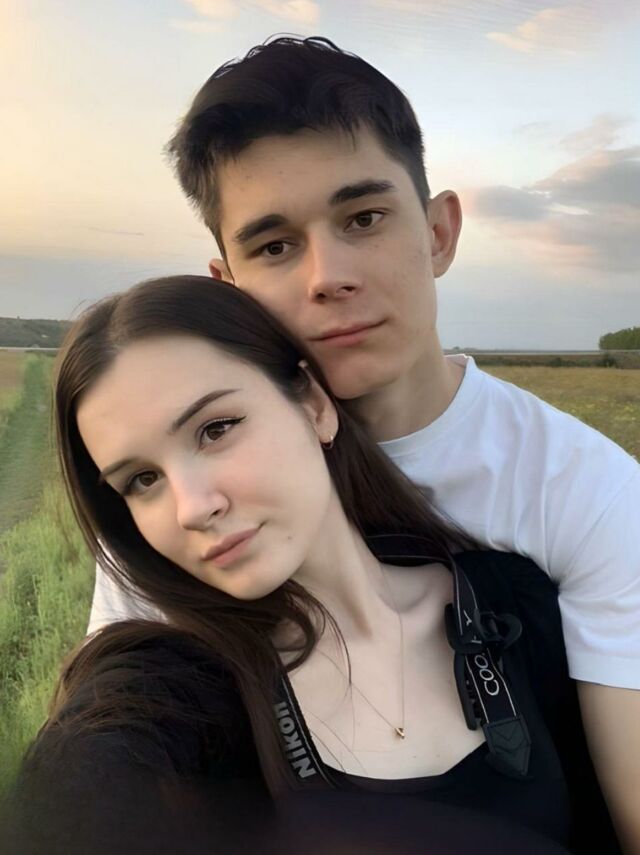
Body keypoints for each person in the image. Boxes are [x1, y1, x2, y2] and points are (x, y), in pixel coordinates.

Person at [88, 37, 639, 849]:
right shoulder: (183, 514)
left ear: (440, 232)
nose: (326, 276)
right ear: (228, 288)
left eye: (364, 218)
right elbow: (115, 738)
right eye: (274, 246)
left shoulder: (585, 489)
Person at [4, 275, 612, 854]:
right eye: (142, 480)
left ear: (315, 405)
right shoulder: (174, 693)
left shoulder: (519, 606)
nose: (192, 508)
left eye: (215, 429)